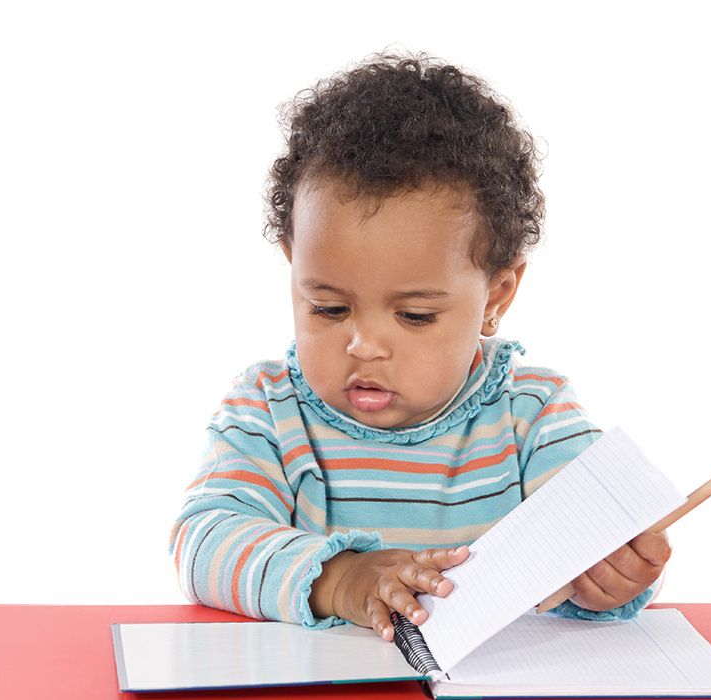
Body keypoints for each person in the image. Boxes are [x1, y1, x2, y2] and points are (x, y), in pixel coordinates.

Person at [168, 52, 669, 641]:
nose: (364, 345)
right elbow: (203, 541)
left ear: (496, 296)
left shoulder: (533, 417)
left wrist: (618, 574)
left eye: (414, 315)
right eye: (329, 308)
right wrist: (342, 579)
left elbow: (610, 541)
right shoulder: (268, 411)